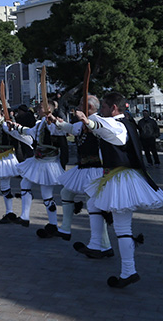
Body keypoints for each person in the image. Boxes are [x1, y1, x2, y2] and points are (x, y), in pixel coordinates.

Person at [76, 92, 163, 288]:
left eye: (104, 107)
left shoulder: (118, 125)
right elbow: (101, 128)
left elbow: (105, 128)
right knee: (94, 204)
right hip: (118, 177)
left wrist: (89, 120)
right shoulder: (122, 123)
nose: (101, 110)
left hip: (121, 179)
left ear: (114, 108)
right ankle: (99, 246)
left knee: (123, 228)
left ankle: (128, 270)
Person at [52, 95, 113, 251]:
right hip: (84, 167)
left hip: (96, 168)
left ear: (89, 108)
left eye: (80, 105)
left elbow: (99, 132)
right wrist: (56, 121)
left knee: (94, 204)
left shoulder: (98, 121)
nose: (78, 108)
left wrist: (87, 122)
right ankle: (65, 229)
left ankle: (104, 245)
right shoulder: (81, 123)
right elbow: (71, 128)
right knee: (66, 192)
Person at [15, 99, 66, 233]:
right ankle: (25, 216)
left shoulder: (53, 124)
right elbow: (30, 131)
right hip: (38, 161)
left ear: (48, 110)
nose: (38, 110)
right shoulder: (40, 123)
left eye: (40, 108)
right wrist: (16, 127)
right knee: (25, 183)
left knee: (46, 194)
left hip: (49, 163)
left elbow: (60, 131)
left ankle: (53, 224)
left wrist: (55, 122)